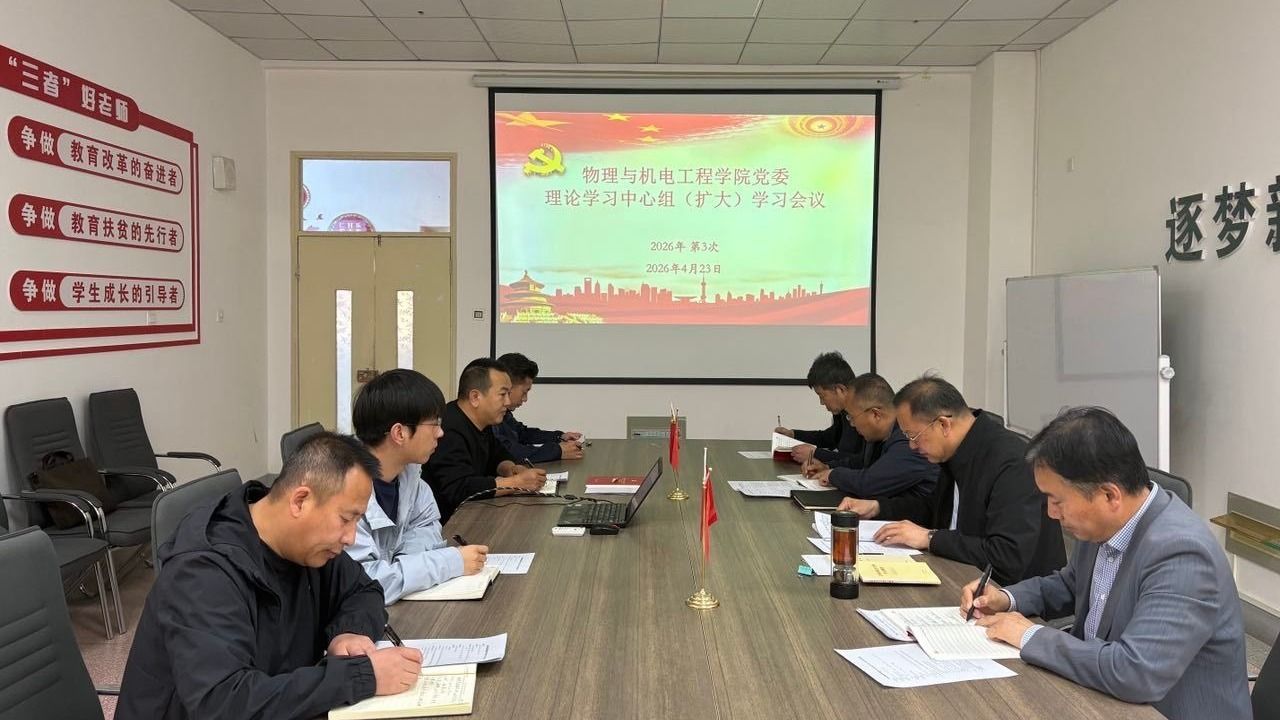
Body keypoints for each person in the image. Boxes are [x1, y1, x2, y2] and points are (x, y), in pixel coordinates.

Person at [962, 407, 1249, 720]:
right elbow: (1071, 584)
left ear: (1110, 496)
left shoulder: (1182, 553)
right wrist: (1006, 598)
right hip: (1099, 696)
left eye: (1057, 500)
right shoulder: (1103, 523)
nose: (1051, 513)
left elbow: (1136, 672)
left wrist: (1029, 635)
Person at [116, 433, 424, 720]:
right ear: (300, 501)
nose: (351, 537)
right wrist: (360, 677)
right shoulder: (203, 573)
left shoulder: (307, 546)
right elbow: (223, 703)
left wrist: (348, 632)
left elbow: (363, 590)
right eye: (346, 519)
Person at [838, 375, 1065, 585]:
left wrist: (930, 538)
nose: (912, 446)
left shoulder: (1011, 462)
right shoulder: (955, 452)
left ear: (943, 425)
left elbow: (1006, 556)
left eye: (913, 436)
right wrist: (877, 507)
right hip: (958, 575)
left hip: (1011, 597)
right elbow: (933, 510)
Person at [347, 368, 490, 604]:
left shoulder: (409, 473)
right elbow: (363, 583)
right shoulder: (343, 491)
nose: (441, 433)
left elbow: (426, 523)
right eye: (434, 424)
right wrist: (448, 563)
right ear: (399, 433)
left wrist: (408, 567)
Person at [424, 357, 546, 523]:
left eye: (509, 394)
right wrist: (516, 482)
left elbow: (497, 454)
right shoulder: (448, 428)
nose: (508, 402)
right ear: (475, 397)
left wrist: (511, 469)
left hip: (474, 514)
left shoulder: (482, 422)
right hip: (449, 525)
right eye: (502, 394)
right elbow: (459, 489)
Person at [802, 373, 937, 499]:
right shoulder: (877, 436)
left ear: (875, 414)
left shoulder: (910, 440)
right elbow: (860, 463)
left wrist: (832, 475)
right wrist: (827, 467)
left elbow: (870, 483)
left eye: (852, 417)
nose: (852, 424)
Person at [774, 351, 866, 464]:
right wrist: (793, 434)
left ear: (840, 390)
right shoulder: (843, 411)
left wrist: (815, 454)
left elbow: (861, 461)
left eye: (822, 396)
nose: (821, 402)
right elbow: (830, 438)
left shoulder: (864, 415)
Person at [493, 352, 584, 463]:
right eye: (524, 392)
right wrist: (557, 451)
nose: (525, 399)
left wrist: (559, 437)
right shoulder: (489, 418)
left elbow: (522, 434)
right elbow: (508, 452)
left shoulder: (504, 413)